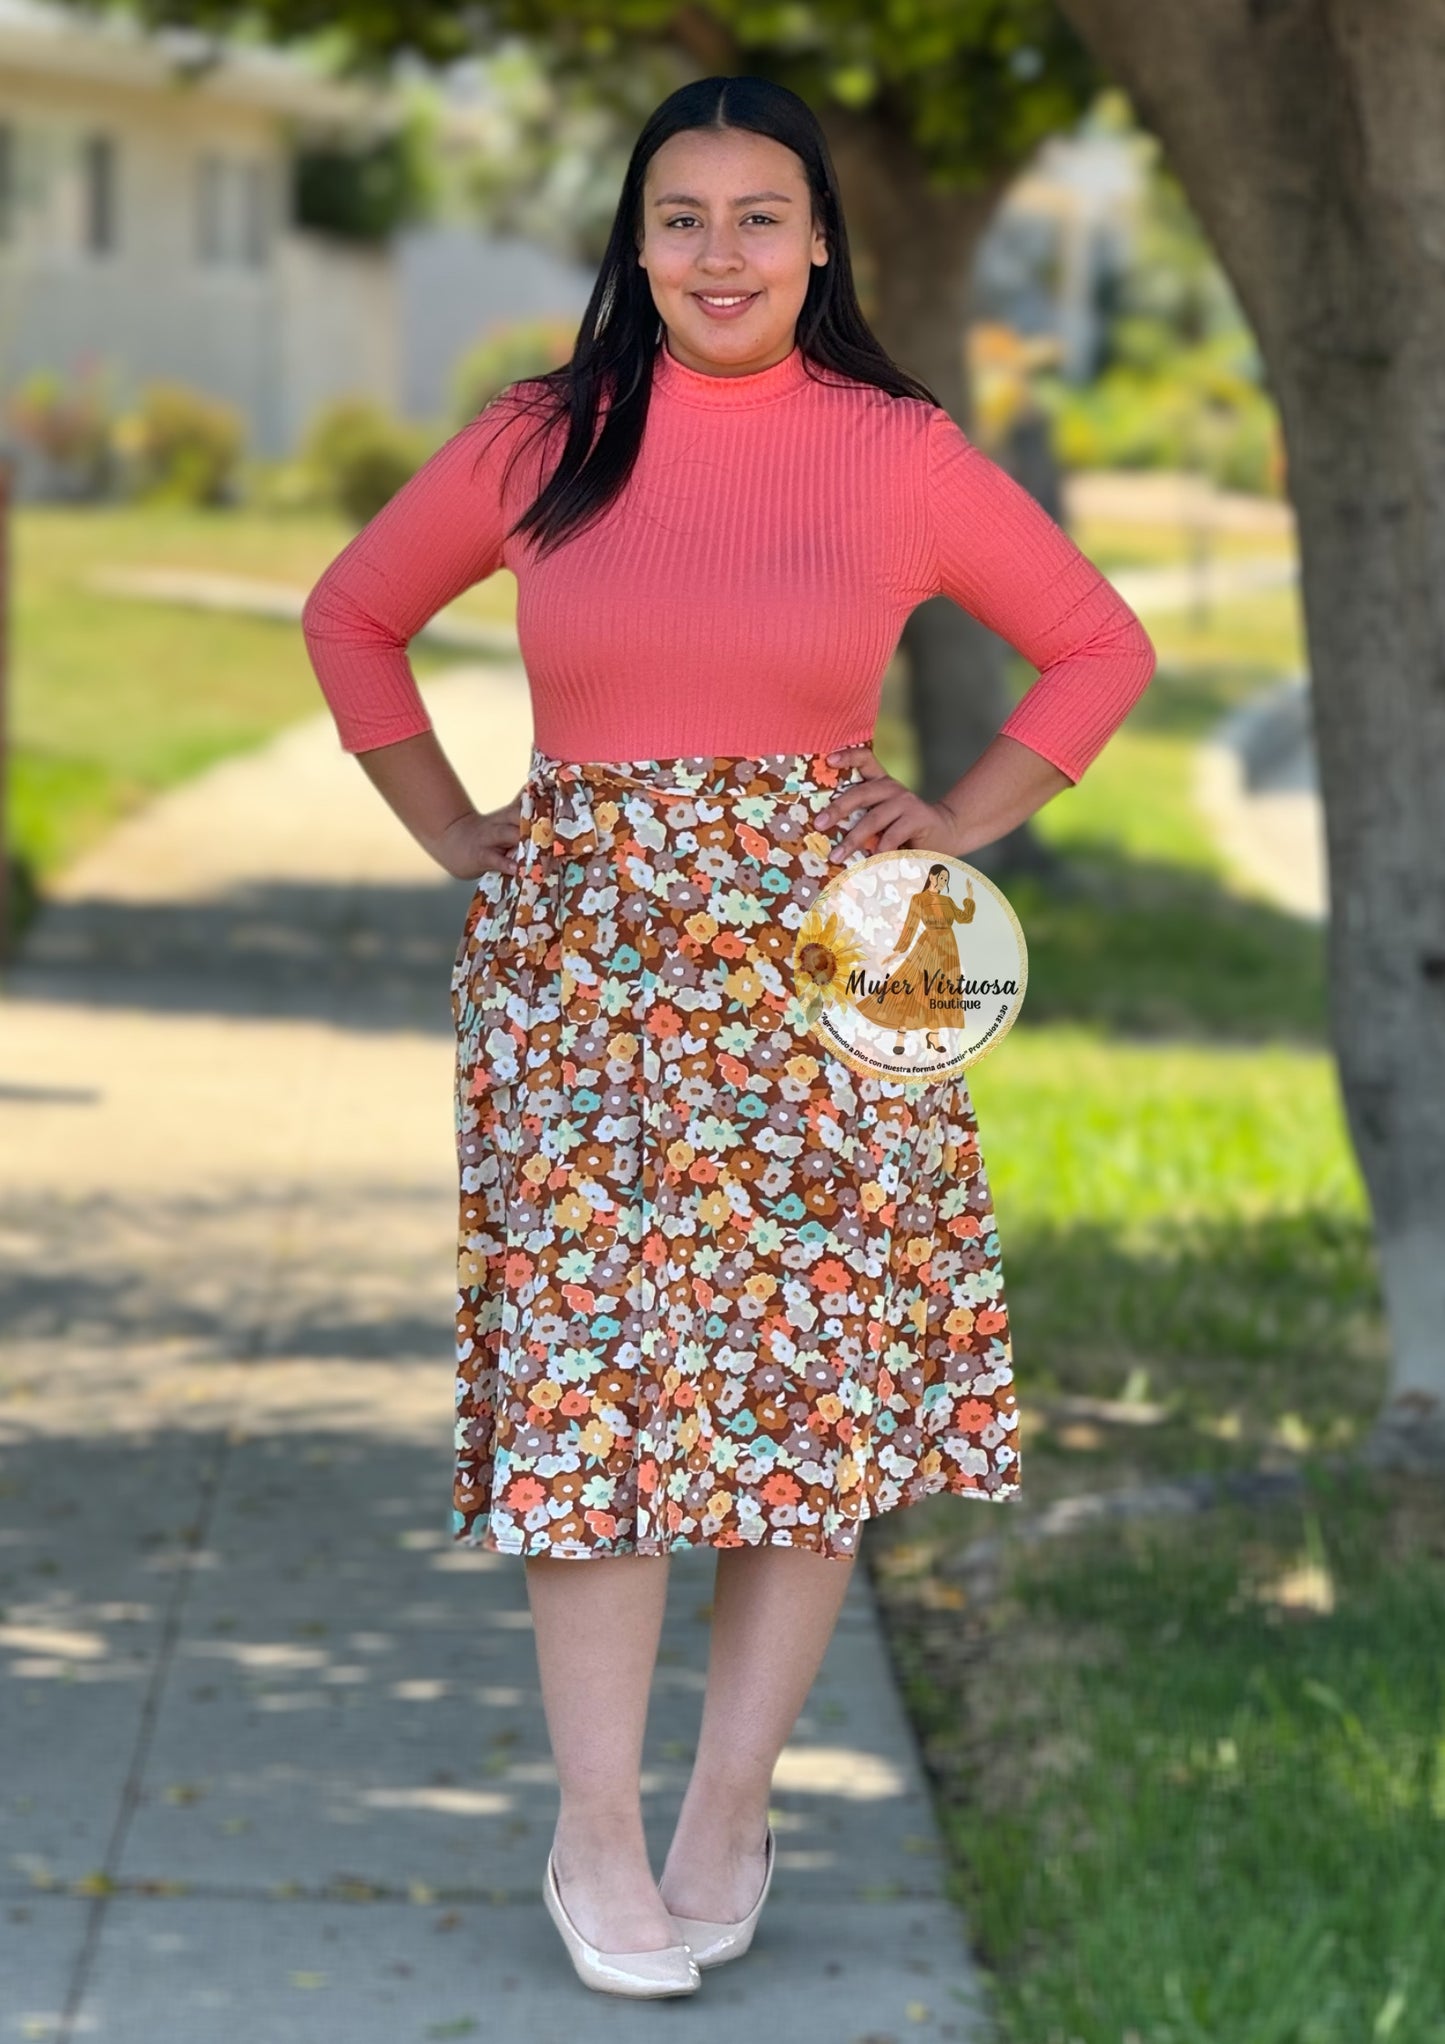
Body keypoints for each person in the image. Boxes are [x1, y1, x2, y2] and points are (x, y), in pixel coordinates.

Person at [301, 74, 1157, 2001]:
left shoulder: (895, 446)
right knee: (598, 1398)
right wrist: (454, 831)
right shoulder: (546, 435)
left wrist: (965, 810)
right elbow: (353, 615)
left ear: (819, 240)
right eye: (676, 216)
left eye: (757, 216)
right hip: (580, 966)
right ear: (634, 240)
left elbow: (1099, 643)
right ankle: (593, 1829)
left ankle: (726, 1809)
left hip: (836, 977)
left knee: (808, 1399)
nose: (716, 253)